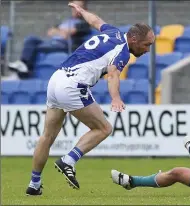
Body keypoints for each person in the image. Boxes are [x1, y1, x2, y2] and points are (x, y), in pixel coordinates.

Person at [25, 2, 155, 196]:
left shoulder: (113, 32)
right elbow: (112, 74)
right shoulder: (123, 51)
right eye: (147, 45)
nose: (147, 50)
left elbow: (95, 21)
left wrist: (81, 11)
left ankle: (34, 184)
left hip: (56, 79)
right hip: (72, 86)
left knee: (47, 136)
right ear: (134, 39)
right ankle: (68, 160)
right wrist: (116, 98)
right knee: (104, 128)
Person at [8, 0, 91, 79]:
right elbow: (50, 32)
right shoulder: (66, 21)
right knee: (31, 39)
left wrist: (59, 32)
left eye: (78, 7)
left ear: (83, 9)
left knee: (34, 47)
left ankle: (22, 72)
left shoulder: (84, 23)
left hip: (64, 45)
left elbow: (68, 33)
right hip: (52, 42)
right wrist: (61, 32)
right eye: (73, 7)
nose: (75, 9)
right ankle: (23, 64)